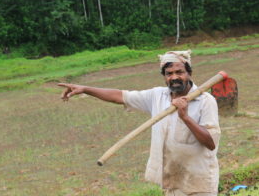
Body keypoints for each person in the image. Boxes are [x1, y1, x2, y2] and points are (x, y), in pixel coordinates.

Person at [58, 50, 220, 196]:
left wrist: (185, 117)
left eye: (179, 72)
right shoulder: (157, 96)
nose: (174, 77)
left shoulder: (205, 101)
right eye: (169, 73)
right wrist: (85, 89)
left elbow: (210, 142)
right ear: (164, 76)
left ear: (189, 73)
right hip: (171, 180)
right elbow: (121, 96)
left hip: (198, 182)